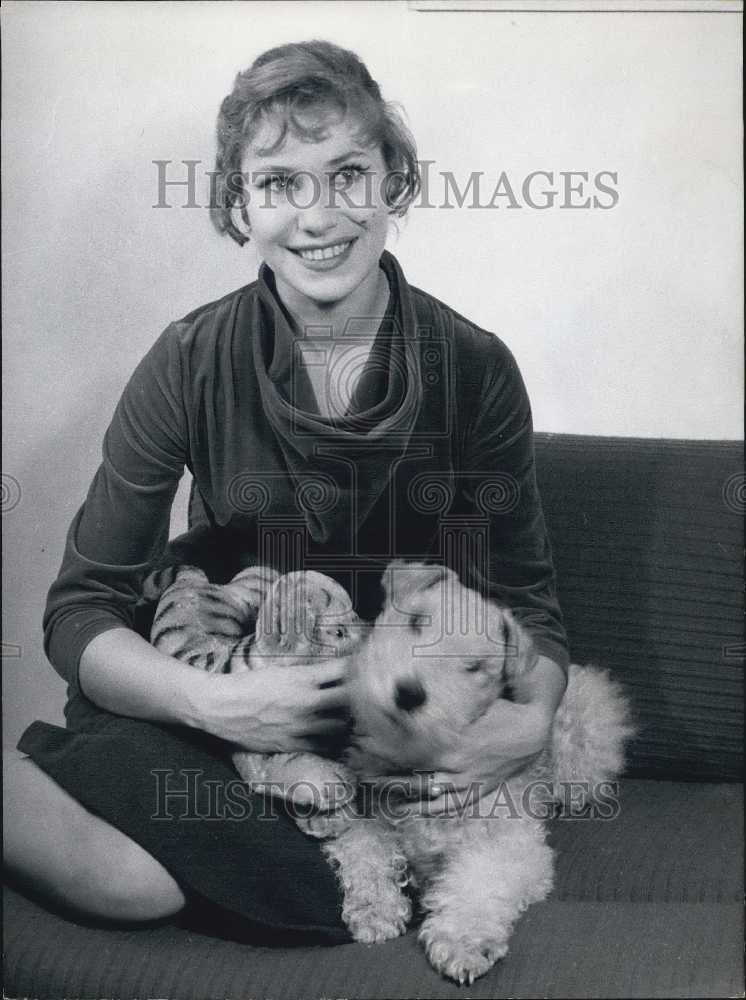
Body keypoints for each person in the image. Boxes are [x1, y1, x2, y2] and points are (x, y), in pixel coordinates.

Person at [3, 40, 569, 940]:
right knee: (130, 886)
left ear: (394, 180)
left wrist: (530, 720)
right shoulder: (189, 357)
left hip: (377, 732)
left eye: (347, 172)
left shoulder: (474, 367)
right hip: (217, 693)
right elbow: (80, 612)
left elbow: (527, 603)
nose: (318, 217)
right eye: (278, 183)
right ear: (241, 205)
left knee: (363, 881)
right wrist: (218, 703)